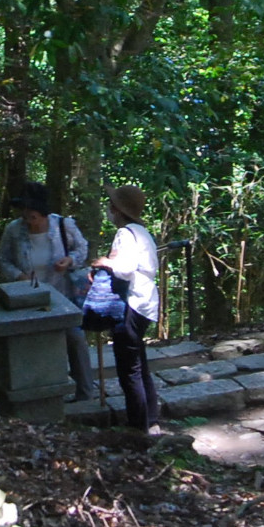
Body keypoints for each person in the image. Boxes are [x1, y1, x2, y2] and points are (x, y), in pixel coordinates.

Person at [0, 182, 93, 399]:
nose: (29, 222)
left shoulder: (63, 226)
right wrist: (18, 276)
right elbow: (2, 259)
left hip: (63, 295)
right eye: (25, 217)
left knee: (75, 339)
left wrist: (69, 260)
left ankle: (85, 390)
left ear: (44, 214)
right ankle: (37, 391)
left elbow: (81, 248)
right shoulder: (13, 230)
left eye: (34, 218)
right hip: (26, 298)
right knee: (31, 342)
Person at [90, 184, 161, 438]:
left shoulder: (125, 234)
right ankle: (150, 420)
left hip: (130, 304)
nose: (109, 209)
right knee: (139, 363)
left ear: (117, 209)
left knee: (129, 368)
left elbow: (126, 267)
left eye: (111, 205)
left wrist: (105, 263)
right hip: (145, 303)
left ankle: (138, 427)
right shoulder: (142, 232)